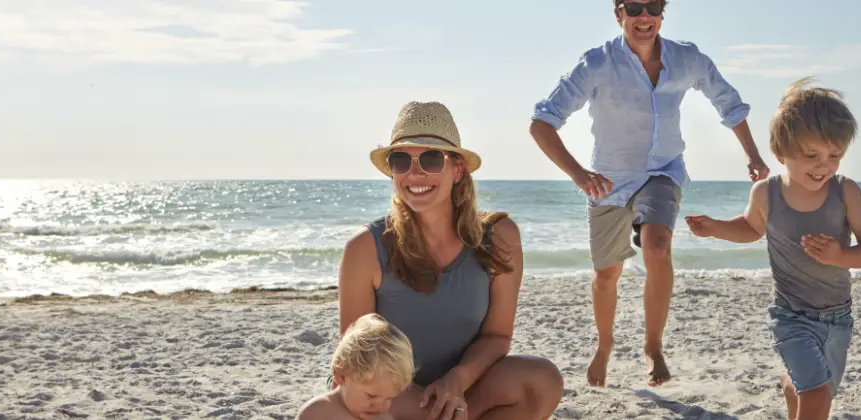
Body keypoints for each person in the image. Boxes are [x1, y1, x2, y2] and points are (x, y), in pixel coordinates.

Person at [527, 0, 769, 387]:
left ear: (662, 13)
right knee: (607, 275)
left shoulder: (687, 59)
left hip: (663, 172)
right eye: (635, 7)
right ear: (618, 14)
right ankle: (604, 346)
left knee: (657, 248)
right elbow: (542, 123)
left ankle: (652, 347)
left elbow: (730, 104)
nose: (645, 17)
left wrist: (754, 155)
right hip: (607, 181)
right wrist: (578, 174)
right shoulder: (596, 63)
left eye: (653, 7)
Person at [338, 101, 564, 420]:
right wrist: (431, 403)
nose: (415, 173)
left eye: (430, 159)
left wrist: (456, 381)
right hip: (389, 396)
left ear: (457, 169)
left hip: (463, 387)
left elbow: (497, 337)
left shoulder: (500, 236)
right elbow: (357, 361)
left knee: (542, 381)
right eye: (401, 160)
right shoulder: (364, 248)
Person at [685, 77, 861, 420]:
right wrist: (716, 228)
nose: (824, 165)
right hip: (789, 316)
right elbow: (750, 228)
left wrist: (841, 256)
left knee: (812, 390)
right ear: (781, 152)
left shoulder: (845, 192)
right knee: (818, 396)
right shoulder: (767, 193)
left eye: (834, 155)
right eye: (812, 155)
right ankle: (799, 382)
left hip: (837, 318)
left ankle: (793, 382)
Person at [296, 313, 416, 420]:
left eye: (389, 398)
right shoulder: (317, 413)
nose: (381, 406)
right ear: (341, 375)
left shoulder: (384, 416)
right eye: (371, 395)